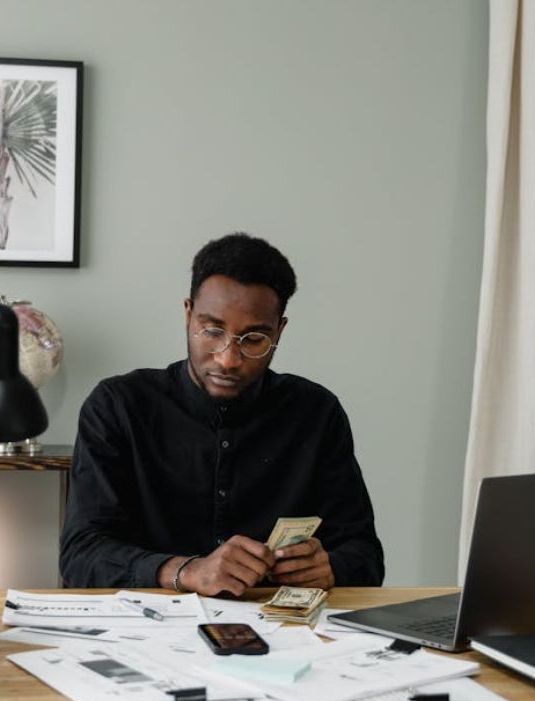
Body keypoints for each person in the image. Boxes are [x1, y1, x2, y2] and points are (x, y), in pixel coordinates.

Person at [59, 233, 384, 596]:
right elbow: (80, 555)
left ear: (280, 330)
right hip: (146, 633)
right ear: (188, 315)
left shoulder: (316, 413)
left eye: (254, 339)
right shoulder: (118, 406)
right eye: (212, 330)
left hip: (280, 634)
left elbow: (365, 554)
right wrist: (187, 572)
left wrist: (331, 567)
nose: (228, 359)